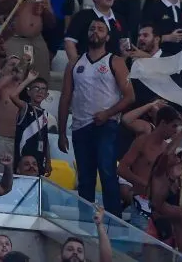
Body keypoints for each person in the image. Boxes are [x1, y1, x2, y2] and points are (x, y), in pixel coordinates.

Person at [58, 17, 136, 214]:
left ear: (107, 36)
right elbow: (65, 98)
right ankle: (84, 224)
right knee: (85, 177)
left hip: (106, 124)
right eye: (92, 28)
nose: (95, 32)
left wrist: (108, 113)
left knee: (107, 171)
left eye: (100, 29)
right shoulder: (74, 63)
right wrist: (61, 132)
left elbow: (130, 96)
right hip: (80, 126)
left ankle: (113, 220)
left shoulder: (115, 61)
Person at [118, 105, 182, 228]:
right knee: (139, 243)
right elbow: (122, 169)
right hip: (141, 200)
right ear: (162, 123)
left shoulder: (167, 149)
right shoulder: (142, 141)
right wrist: (144, 183)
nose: (175, 130)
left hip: (160, 206)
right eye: (174, 126)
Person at [0, 64, 55, 174]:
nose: (40, 91)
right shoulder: (25, 107)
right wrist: (28, 79)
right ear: (29, 92)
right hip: (23, 158)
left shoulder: (45, 114)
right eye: (36, 88)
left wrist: (48, 161)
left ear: (46, 95)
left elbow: (45, 139)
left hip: (38, 158)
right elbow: (13, 96)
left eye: (43, 89)